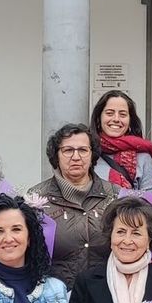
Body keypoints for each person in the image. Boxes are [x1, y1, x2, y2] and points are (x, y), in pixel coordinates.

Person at [29, 123, 120, 289]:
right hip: (56, 294)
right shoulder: (36, 198)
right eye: (68, 150)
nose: (76, 157)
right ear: (56, 155)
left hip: (106, 292)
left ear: (92, 155)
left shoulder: (114, 195)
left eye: (83, 150)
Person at [92, 89, 152, 192]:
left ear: (130, 121)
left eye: (123, 114)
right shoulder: (87, 152)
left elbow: (150, 202)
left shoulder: (143, 158)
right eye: (110, 113)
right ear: (99, 118)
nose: (116, 119)